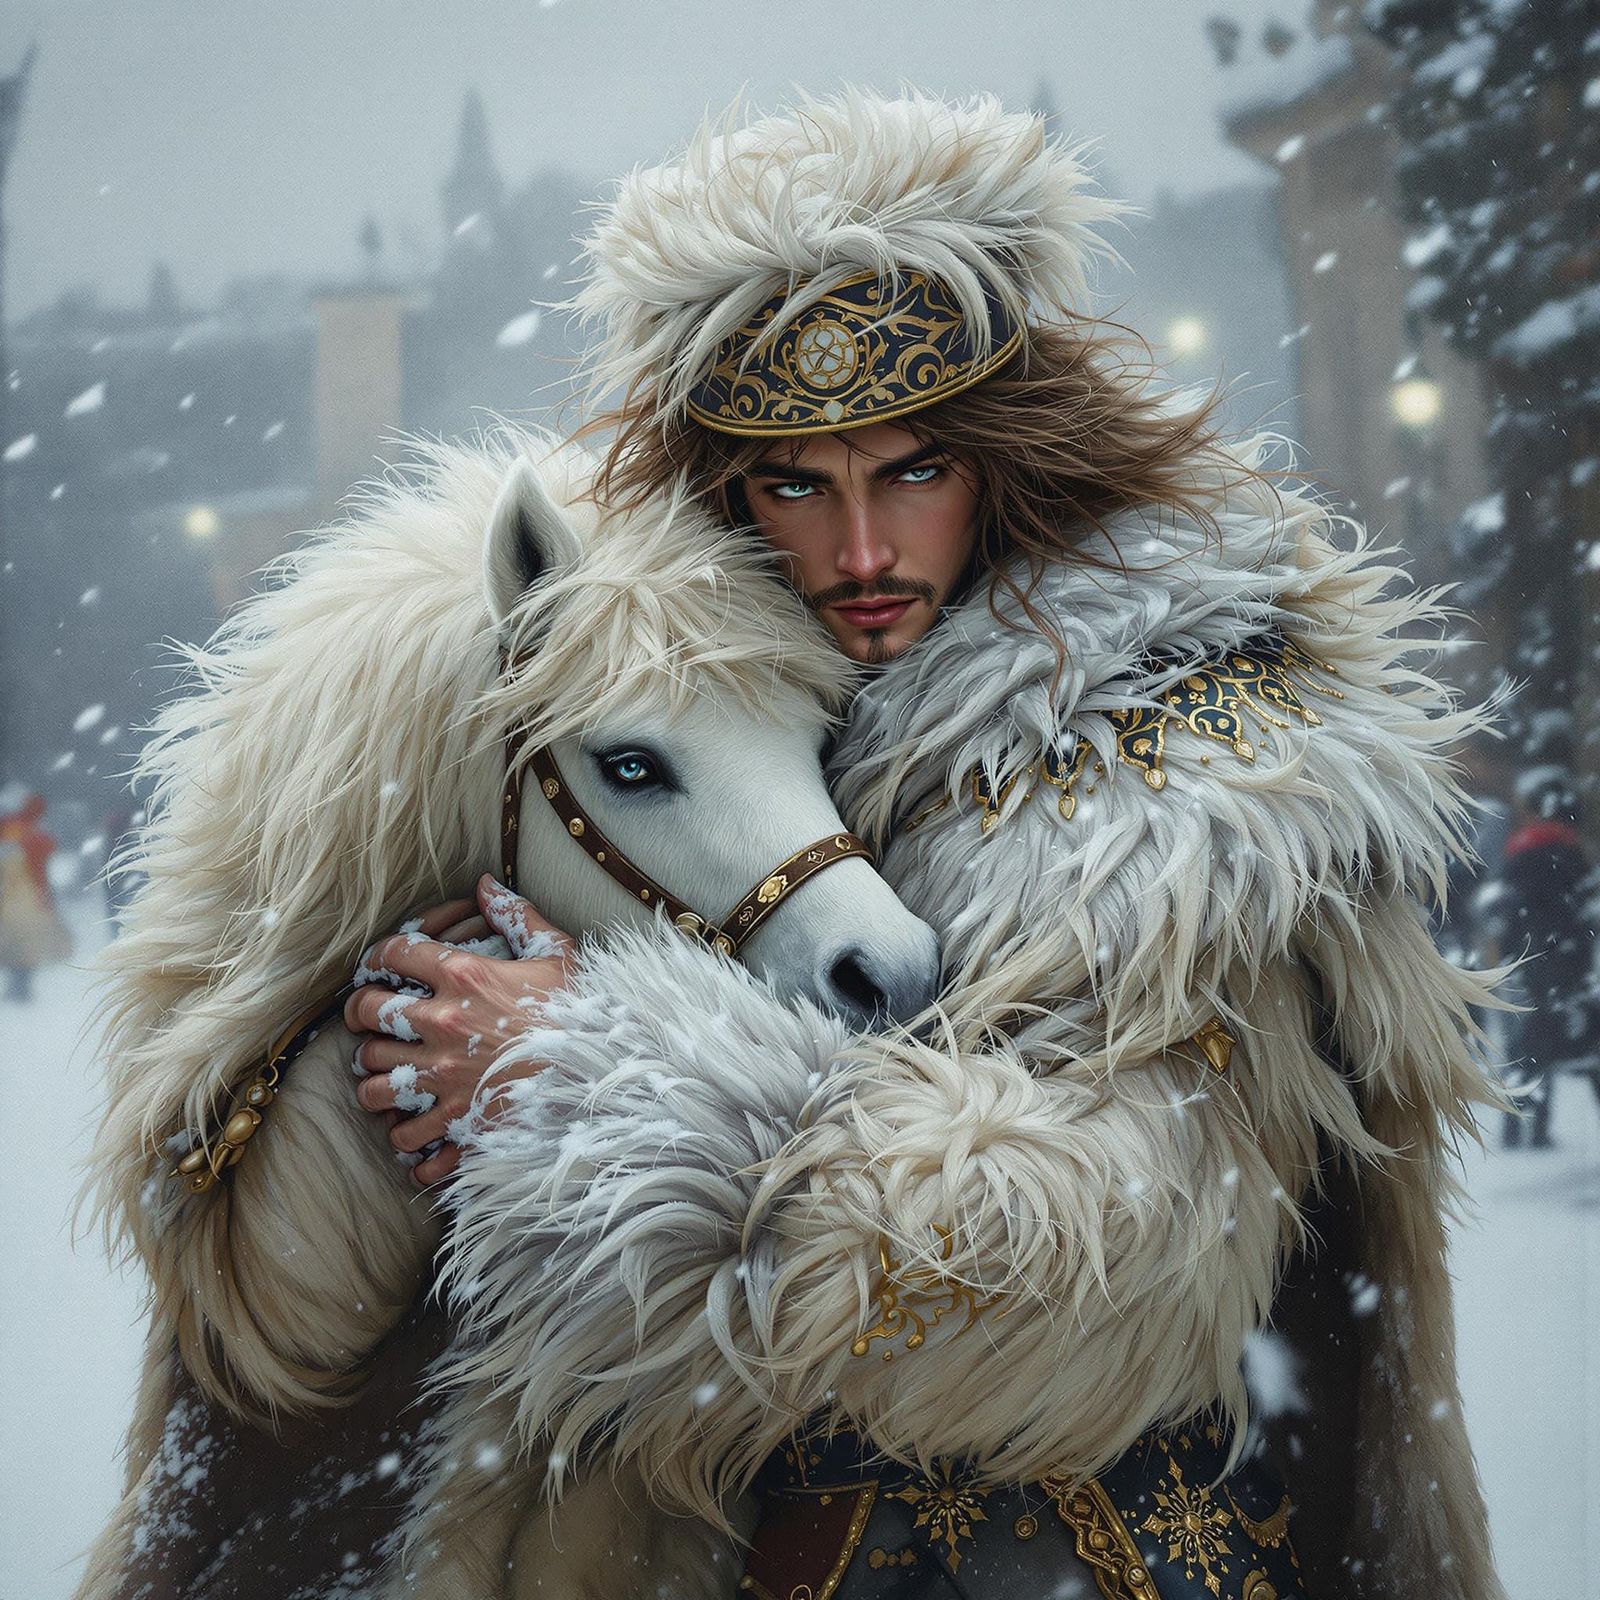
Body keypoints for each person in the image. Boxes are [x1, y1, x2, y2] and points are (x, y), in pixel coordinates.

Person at [352, 93, 1510, 1599]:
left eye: (909, 471)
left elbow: (1116, 1260)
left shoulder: (1190, 754)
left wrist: (593, 1073)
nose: (860, 555)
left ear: (1005, 459)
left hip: (1098, 1554)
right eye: (793, 484)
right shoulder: (754, 735)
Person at [1486, 766, 1600, 1147]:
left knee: (1526, 1043)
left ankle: (1518, 1126)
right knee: (1569, 1033)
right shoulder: (1573, 854)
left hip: (1526, 958)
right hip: (1567, 958)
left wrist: (1508, 952)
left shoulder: (1520, 852)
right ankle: (1540, 1128)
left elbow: (1506, 908)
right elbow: (1583, 909)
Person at [0, 788, 70, 1001]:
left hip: (13, 896)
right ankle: (20, 985)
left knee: (16, 942)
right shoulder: (31, 834)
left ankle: (17, 984)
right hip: (24, 896)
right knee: (25, 942)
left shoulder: (12, 829)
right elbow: (38, 865)